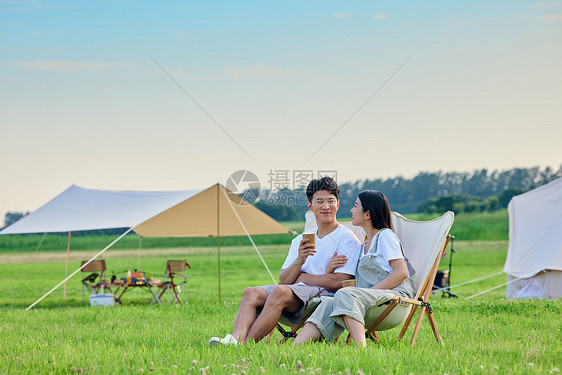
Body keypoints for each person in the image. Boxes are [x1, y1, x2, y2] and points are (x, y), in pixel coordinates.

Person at [209, 177, 361, 346]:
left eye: (330, 201)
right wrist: (299, 260)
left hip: (324, 296)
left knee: (279, 292)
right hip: (295, 292)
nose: (326, 206)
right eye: (320, 201)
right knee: (250, 292)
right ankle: (236, 339)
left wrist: (303, 278)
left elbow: (340, 281)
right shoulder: (300, 241)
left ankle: (244, 345)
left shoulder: (347, 238)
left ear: (338, 204)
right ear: (310, 206)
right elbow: (283, 280)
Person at [293, 190, 416, 347]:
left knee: (345, 294)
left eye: (355, 205)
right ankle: (296, 346)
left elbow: (401, 272)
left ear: (367, 214)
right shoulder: (363, 245)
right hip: (369, 302)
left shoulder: (385, 237)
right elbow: (355, 280)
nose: (351, 210)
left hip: (394, 302)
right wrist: (330, 270)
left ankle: (360, 349)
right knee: (328, 302)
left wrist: (371, 292)